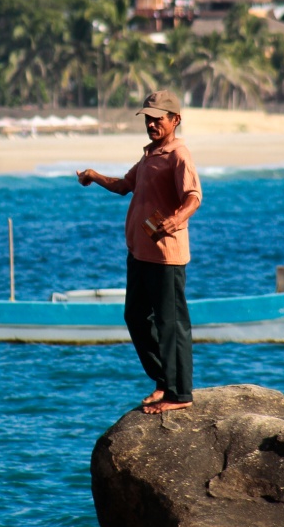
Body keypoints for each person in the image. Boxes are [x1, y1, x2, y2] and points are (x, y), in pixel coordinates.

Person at [77, 90, 202, 415]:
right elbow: (124, 186)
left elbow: (193, 197)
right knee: (134, 316)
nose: (151, 124)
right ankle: (163, 379)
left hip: (166, 256)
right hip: (140, 253)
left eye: (157, 118)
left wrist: (175, 221)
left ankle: (179, 393)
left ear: (175, 120)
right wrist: (94, 176)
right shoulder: (150, 155)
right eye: (147, 118)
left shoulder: (179, 155)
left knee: (171, 323)